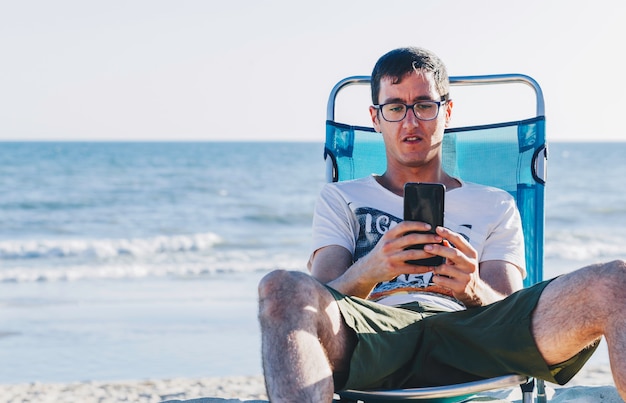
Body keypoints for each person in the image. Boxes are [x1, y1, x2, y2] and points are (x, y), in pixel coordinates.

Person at [258, 47, 626, 402]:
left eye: (424, 105)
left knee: (614, 282)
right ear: (376, 118)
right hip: (373, 336)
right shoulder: (341, 198)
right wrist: (371, 269)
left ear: (447, 111)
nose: (410, 121)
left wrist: (472, 288)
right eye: (395, 107)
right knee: (281, 287)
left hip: (471, 337)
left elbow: (510, 311)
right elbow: (318, 300)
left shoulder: (495, 203)